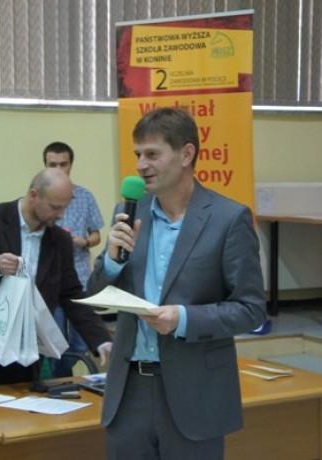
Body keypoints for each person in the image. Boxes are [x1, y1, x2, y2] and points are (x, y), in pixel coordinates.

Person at [87, 107, 267, 460]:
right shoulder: (129, 213)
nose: (141, 165)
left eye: (152, 154)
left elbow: (251, 309)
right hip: (129, 392)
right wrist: (111, 260)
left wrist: (182, 319)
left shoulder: (228, 219)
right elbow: (94, 295)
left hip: (195, 394)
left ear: (186, 154)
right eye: (138, 154)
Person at [0, 168, 112, 390]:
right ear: (33, 195)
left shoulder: (60, 241)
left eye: (65, 207)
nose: (61, 215)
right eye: (55, 207)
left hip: (23, 359)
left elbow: (72, 295)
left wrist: (101, 340)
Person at [43, 141, 105, 377]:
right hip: (50, 280)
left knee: (80, 343)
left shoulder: (85, 196)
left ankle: (62, 377)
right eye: (53, 164)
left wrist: (83, 242)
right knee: (55, 341)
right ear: (45, 166)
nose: (59, 169)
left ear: (71, 165)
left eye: (63, 164)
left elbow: (97, 235)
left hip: (79, 277)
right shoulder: (40, 199)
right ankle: (59, 380)